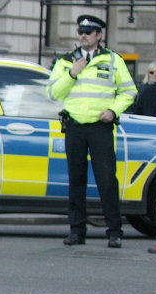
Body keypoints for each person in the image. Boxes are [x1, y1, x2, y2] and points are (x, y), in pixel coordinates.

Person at [47, 14, 136, 247]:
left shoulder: (113, 60)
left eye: (88, 32)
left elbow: (129, 91)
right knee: (76, 180)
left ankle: (114, 231)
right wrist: (72, 74)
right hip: (75, 126)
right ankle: (77, 231)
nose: (83, 36)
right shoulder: (66, 61)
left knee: (107, 180)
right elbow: (53, 93)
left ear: (99, 35)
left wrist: (113, 111)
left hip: (100, 127)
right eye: (81, 32)